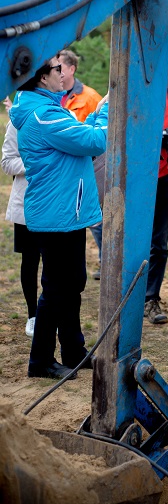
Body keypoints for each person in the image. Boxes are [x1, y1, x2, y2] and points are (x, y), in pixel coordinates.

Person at [9, 57, 108, 380]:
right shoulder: (43, 114)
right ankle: (40, 362)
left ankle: (73, 350)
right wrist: (110, 111)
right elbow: (94, 141)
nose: (63, 72)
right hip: (57, 214)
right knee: (56, 289)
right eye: (56, 69)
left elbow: (80, 133)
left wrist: (99, 111)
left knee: (72, 283)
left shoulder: (47, 108)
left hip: (66, 211)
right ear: (41, 78)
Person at [58, 49, 103, 279]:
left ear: (72, 69)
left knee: (95, 216)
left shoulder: (90, 96)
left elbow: (99, 131)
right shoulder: (55, 97)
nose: (59, 73)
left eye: (61, 68)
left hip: (91, 163)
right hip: (66, 168)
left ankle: (107, 259)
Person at [1, 120, 41, 338]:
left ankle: (54, 315)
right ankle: (33, 315)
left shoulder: (63, 114)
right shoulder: (17, 122)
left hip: (58, 203)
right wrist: (37, 163)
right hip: (28, 205)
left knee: (59, 266)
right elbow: (7, 162)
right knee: (30, 260)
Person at [143, 89, 168, 325]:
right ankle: (126, 297)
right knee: (131, 241)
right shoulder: (135, 90)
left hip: (164, 178)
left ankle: (150, 298)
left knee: (159, 245)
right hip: (136, 177)